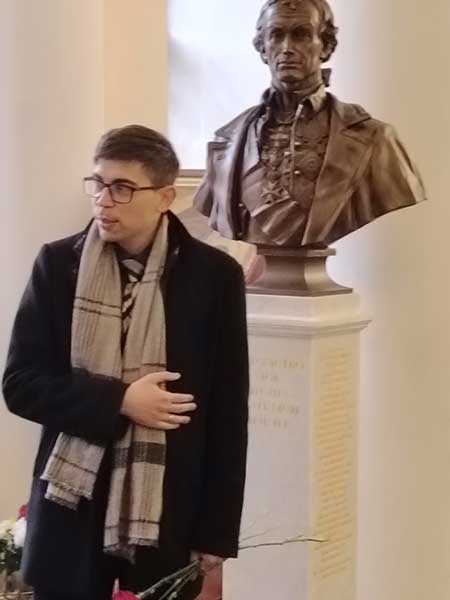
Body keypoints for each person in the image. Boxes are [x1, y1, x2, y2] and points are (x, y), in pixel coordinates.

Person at [3, 125, 249, 600]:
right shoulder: (58, 264)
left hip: (168, 504)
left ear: (164, 197)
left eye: (122, 188)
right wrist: (120, 401)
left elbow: (227, 412)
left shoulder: (214, 276)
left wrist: (216, 532)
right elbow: (20, 384)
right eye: (97, 183)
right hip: (71, 503)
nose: (103, 200)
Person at [194, 0, 426, 247]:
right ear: (262, 48)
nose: (287, 48)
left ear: (326, 46)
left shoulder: (373, 138)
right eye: (276, 35)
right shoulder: (228, 141)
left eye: (301, 35)